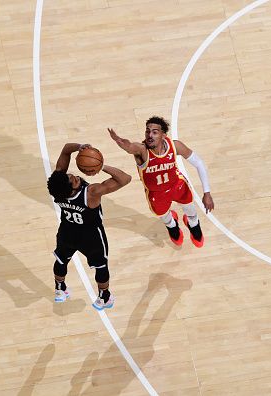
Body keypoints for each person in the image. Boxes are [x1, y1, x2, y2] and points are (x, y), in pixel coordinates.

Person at [47, 143, 131, 310]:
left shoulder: (58, 187)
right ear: (70, 189)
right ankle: (104, 297)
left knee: (61, 259)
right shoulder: (91, 193)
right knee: (101, 266)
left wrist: (79, 147)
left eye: (72, 175)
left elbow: (65, 150)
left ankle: (60, 289)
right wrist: (101, 165)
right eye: (74, 179)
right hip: (90, 236)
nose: (76, 176)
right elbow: (125, 179)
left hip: (67, 231)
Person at [108, 116, 214, 247]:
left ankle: (193, 224)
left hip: (177, 185)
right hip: (156, 193)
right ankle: (172, 225)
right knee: (164, 216)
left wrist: (207, 193)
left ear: (163, 135)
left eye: (154, 132)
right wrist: (119, 141)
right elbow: (129, 146)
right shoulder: (142, 150)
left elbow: (198, 163)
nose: (150, 135)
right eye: (147, 131)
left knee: (190, 209)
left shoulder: (175, 146)